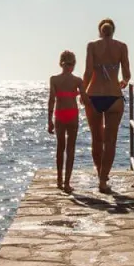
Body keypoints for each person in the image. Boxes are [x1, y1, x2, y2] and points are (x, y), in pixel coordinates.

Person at [82, 18, 130, 194]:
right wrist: (123, 82)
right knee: (110, 141)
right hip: (114, 97)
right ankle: (103, 179)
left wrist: (82, 93)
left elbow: (88, 72)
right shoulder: (121, 47)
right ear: (113, 31)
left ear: (100, 31)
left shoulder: (92, 46)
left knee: (97, 138)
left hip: (94, 95)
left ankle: (99, 172)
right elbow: (127, 74)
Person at [47, 50, 85, 193]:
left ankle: (59, 180)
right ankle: (67, 183)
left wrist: (49, 120)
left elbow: (51, 100)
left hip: (60, 114)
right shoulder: (77, 80)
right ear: (73, 64)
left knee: (60, 148)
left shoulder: (54, 79)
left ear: (60, 63)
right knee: (70, 149)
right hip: (72, 115)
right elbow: (85, 99)